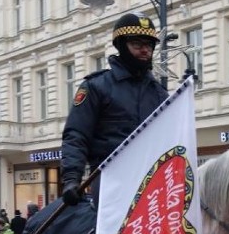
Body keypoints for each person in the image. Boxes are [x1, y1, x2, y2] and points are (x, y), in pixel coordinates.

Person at [60, 12, 169, 208]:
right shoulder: (96, 86)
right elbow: (76, 135)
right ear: (121, 46)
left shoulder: (160, 94)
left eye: (149, 45)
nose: (145, 50)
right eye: (138, 45)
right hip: (110, 177)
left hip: (153, 179)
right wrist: (71, 179)